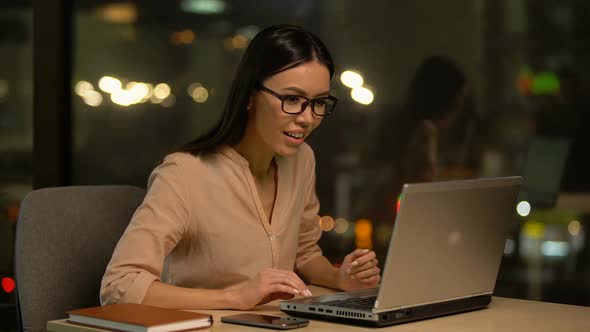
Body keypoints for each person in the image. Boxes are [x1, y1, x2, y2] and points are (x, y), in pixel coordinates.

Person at [100, 25, 380, 310]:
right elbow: (119, 287)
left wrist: (339, 278)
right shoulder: (184, 174)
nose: (307, 118)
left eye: (318, 102)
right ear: (250, 95)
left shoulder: (301, 160)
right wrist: (234, 298)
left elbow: (304, 253)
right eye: (292, 99)